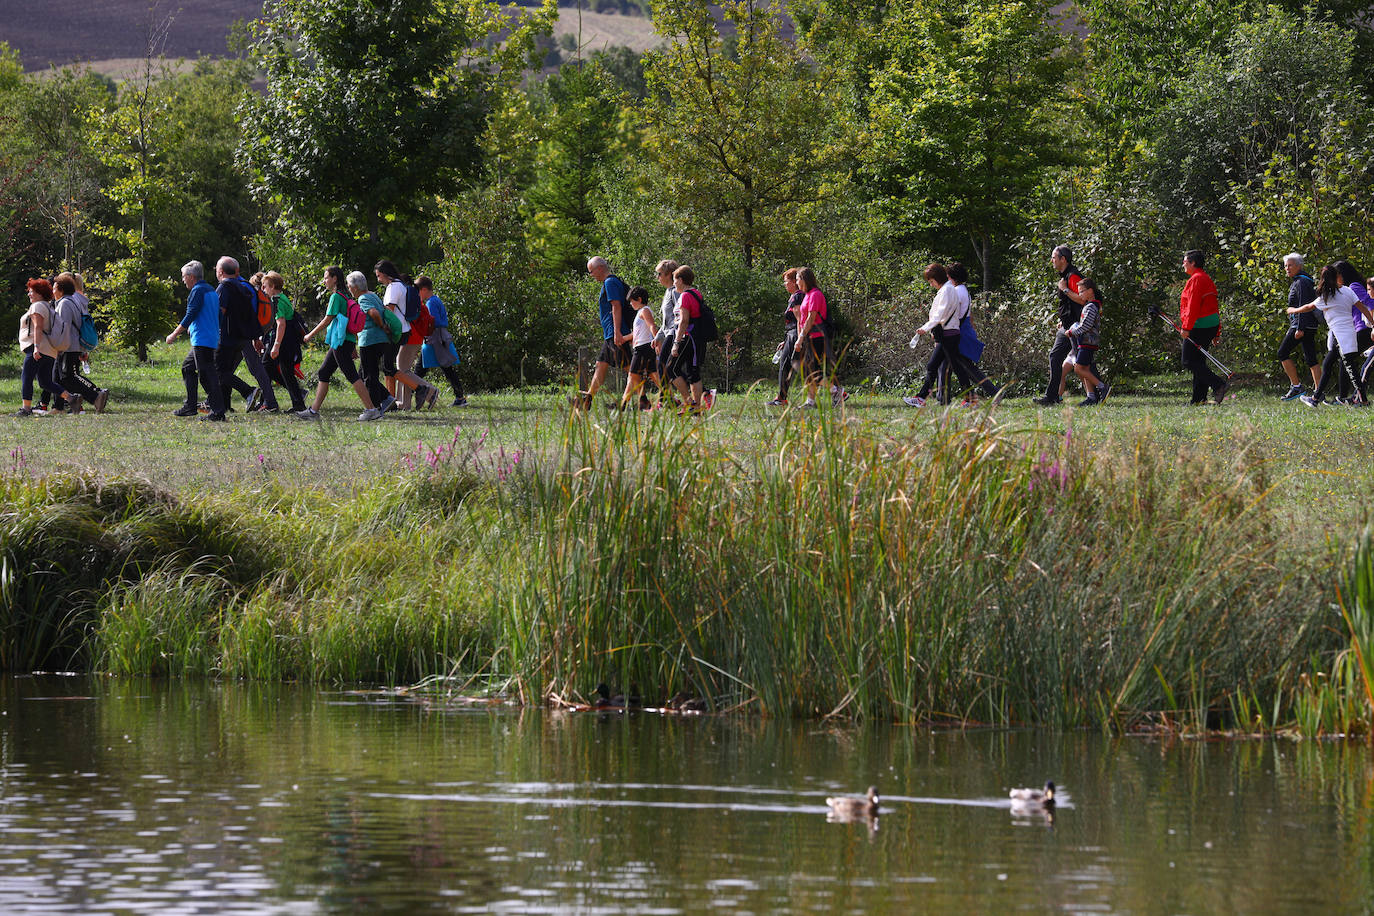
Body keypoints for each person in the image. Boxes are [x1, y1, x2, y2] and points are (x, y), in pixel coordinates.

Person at [906, 263, 993, 407]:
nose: (931, 284)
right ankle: (969, 399)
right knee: (951, 368)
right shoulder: (950, 289)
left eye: (931, 281)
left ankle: (922, 398)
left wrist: (925, 328)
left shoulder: (947, 291)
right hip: (950, 334)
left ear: (937, 278)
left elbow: (940, 313)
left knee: (934, 366)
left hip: (947, 335)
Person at [297, 266, 374, 420]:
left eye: (326, 277)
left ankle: (371, 410)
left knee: (351, 375)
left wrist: (310, 335)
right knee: (324, 372)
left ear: (335, 279)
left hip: (341, 343)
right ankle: (313, 411)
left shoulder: (336, 297)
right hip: (344, 341)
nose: (324, 281)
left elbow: (328, 319)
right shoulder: (346, 296)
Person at [1294, 264, 1371, 407]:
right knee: (1334, 364)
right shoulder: (1344, 291)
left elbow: (1308, 307)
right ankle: (1318, 398)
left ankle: (1358, 399)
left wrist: (1292, 310)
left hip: (1349, 334)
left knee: (1348, 367)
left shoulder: (1335, 293)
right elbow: (1362, 307)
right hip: (1348, 333)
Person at [213, 256, 278, 413]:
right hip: (247, 334)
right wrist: (256, 336)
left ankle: (265, 400)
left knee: (251, 368)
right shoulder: (244, 286)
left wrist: (255, 337)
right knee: (227, 370)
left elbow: (249, 313)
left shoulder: (232, 287)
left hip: (237, 335)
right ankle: (222, 403)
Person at [374, 259, 438, 410]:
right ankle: (404, 403)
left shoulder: (393, 287)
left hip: (396, 331)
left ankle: (426, 390)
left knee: (394, 368)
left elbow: (389, 310)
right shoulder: (401, 286)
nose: (378, 279)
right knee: (396, 368)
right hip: (404, 331)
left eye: (378, 276)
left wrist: (381, 326)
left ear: (384, 274)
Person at [167, 260, 225, 421]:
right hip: (208, 338)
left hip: (203, 339)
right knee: (187, 368)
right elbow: (220, 315)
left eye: (184, 276)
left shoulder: (198, 291)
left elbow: (190, 314)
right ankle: (190, 406)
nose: (183, 280)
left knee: (207, 376)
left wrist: (174, 334)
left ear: (191, 276)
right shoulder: (211, 290)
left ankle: (218, 412)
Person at [577, 256, 632, 409]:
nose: (591, 275)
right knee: (600, 365)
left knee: (631, 370)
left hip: (616, 333)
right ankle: (587, 401)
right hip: (611, 333)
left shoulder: (610, 282)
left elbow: (616, 306)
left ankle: (646, 399)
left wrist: (617, 332)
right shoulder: (610, 282)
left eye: (591, 271)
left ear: (600, 268)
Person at [1034, 245, 1085, 407]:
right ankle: (1052, 397)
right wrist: (1063, 320)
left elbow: (1083, 299)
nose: (1052, 260)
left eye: (1054, 257)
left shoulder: (1073, 276)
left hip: (1076, 327)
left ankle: (1100, 390)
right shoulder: (1066, 276)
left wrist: (1064, 290)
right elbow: (1069, 304)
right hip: (1067, 326)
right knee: (1055, 356)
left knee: (1083, 361)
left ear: (1063, 259)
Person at [49, 274, 107, 414]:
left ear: (61, 289)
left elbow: (64, 328)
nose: (52, 291)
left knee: (70, 376)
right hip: (70, 345)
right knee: (59, 378)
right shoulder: (69, 301)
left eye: (55, 288)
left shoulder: (65, 304)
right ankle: (61, 407)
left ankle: (96, 394)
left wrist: (58, 346)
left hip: (68, 346)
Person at [1178, 249, 1228, 405]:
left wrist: (1186, 327)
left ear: (1193, 263)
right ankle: (1199, 399)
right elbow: (1214, 306)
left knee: (1188, 361)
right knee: (1198, 361)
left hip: (1200, 326)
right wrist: (1217, 332)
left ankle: (1218, 384)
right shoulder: (1205, 278)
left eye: (1185, 261)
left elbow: (1192, 306)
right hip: (1210, 325)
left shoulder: (1197, 279)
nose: (1183, 264)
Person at [15, 279, 69, 417]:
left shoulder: (37, 306)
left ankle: (26, 409)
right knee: (45, 382)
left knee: (26, 377)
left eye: (31, 292)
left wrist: (36, 347)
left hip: (37, 348)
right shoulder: (48, 307)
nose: (29, 294)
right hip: (50, 351)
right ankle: (72, 398)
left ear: (39, 293)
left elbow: (38, 327)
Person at [414, 275, 467, 407]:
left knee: (419, 370)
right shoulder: (435, 300)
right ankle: (460, 397)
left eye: (418, 290)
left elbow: (433, 321)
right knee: (446, 369)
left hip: (435, 339)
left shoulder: (430, 303)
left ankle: (411, 396)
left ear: (424, 289)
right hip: (439, 338)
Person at [259, 272, 308, 414]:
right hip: (288, 340)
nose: (263, 289)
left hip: (284, 341)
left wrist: (276, 346)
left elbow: (281, 324)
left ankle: (298, 401)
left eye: (265, 286)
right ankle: (298, 402)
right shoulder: (282, 297)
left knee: (267, 365)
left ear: (273, 286)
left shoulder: (277, 300)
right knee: (285, 371)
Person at [351, 271, 394, 421]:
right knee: (364, 373)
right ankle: (387, 399)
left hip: (370, 340)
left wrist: (381, 325)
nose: (350, 289)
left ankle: (374, 409)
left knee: (369, 376)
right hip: (380, 340)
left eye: (350, 286)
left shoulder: (363, 298)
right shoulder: (373, 295)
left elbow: (374, 313)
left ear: (355, 287)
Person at [1276, 253, 1320, 401]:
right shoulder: (1302, 280)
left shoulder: (1301, 282)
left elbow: (1304, 305)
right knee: (1311, 359)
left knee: (1282, 353)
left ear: (1299, 266)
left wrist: (1299, 328)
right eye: (1285, 266)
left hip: (1302, 325)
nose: (1287, 268)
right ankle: (1318, 392)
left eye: (1290, 265)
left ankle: (1296, 387)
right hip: (1309, 325)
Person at [1331, 261, 1372, 402]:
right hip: (1360, 329)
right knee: (1347, 360)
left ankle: (1344, 397)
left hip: (1365, 329)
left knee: (1346, 359)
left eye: (1336, 275)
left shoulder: (1354, 286)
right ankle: (1352, 396)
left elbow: (1370, 302)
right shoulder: (1349, 288)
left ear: (1342, 275)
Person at [669, 265, 708, 410]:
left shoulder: (685, 295)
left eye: (674, 280)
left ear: (680, 280)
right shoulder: (696, 293)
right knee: (693, 371)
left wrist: (676, 343)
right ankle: (695, 408)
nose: (673, 283)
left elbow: (684, 321)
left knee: (671, 369)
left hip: (688, 337)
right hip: (697, 338)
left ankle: (690, 402)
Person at [790, 267, 829, 408]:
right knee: (807, 370)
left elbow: (810, 319)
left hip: (816, 336)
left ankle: (836, 390)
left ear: (805, 279)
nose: (796, 282)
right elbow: (802, 318)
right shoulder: (807, 295)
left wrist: (800, 338)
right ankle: (810, 402)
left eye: (798, 278)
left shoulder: (815, 295)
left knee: (810, 370)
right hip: (808, 337)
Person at [618, 286, 659, 411]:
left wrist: (656, 340)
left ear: (639, 299)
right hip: (642, 347)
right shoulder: (639, 313)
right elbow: (636, 333)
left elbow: (652, 325)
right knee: (653, 374)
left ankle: (624, 404)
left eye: (632, 301)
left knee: (633, 374)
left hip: (643, 348)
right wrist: (624, 339)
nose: (630, 304)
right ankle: (669, 397)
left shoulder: (644, 310)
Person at [768, 268, 802, 406]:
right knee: (795, 366)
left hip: (795, 335)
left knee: (787, 365)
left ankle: (781, 398)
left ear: (794, 282)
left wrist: (799, 338)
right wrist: (785, 339)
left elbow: (800, 319)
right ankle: (782, 397)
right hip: (791, 334)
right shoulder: (794, 297)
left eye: (786, 281)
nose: (785, 284)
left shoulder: (798, 296)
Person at [653, 259, 680, 407]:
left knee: (665, 365)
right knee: (666, 367)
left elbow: (679, 314)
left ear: (669, 274)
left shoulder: (676, 291)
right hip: (668, 333)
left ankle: (667, 400)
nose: (658, 277)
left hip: (675, 333)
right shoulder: (668, 291)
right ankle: (667, 399)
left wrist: (676, 337)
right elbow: (666, 321)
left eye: (660, 274)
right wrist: (658, 337)